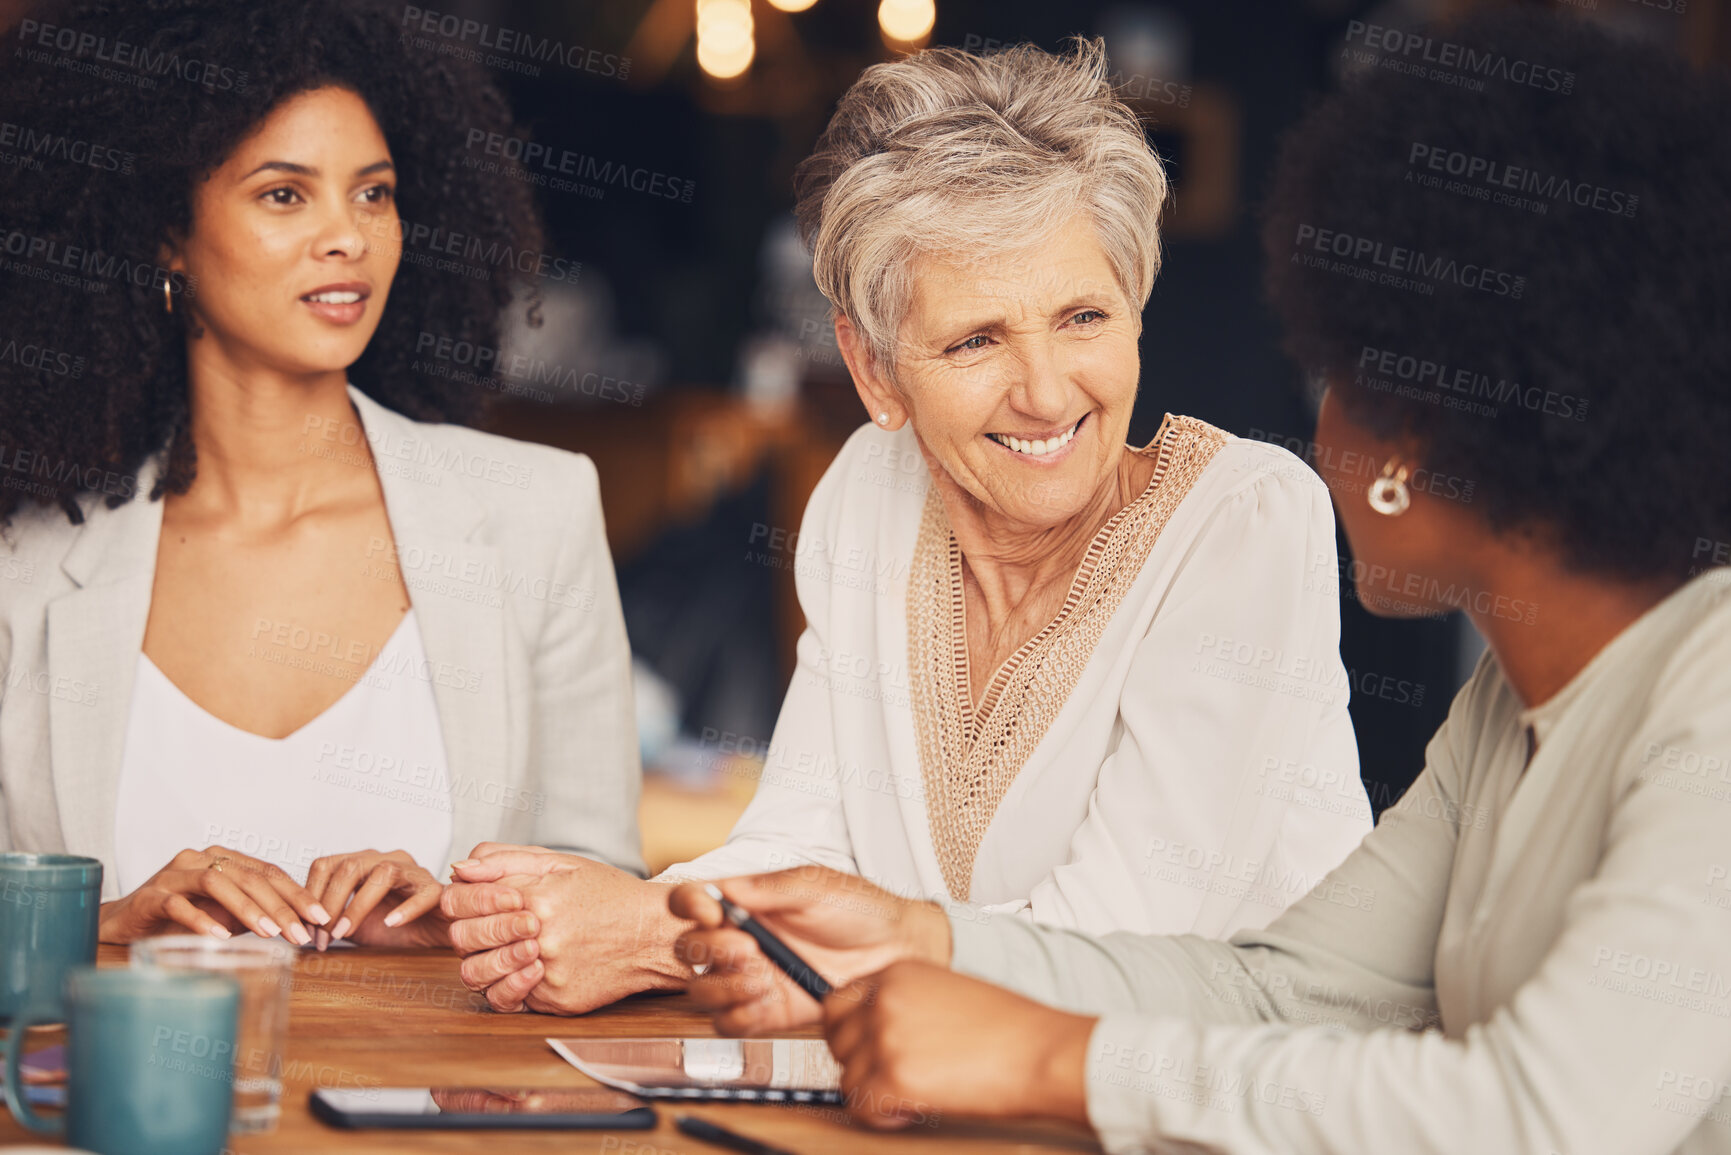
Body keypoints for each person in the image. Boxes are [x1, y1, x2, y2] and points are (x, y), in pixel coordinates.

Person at [669, 11, 1731, 1152]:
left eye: (1345, 383)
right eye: (978, 341)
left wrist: (1047, 1057)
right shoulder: (1505, 713)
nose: (1320, 444)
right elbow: (1290, 994)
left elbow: (1535, 1117)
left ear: (1427, 442)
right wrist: (923, 947)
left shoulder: (1709, 708)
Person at [445, 39, 1369, 1015]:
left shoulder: (1245, 526)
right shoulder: (869, 492)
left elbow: (1122, 947)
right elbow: (796, 846)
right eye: (976, 339)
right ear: (874, 370)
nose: (1048, 391)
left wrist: (667, 940)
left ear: (1137, 306)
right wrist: (523, 915)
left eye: (1084, 317)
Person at [0, 0, 642, 948]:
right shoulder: (27, 553)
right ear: (166, 235)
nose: (348, 235)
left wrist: (455, 919)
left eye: (373, 193)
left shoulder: (535, 512)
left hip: (430, 1096)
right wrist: (104, 924)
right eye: (284, 194)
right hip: (124, 1098)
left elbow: (610, 901)